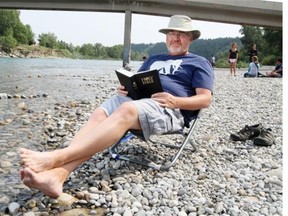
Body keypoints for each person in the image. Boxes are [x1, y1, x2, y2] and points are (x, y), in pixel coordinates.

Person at [19, 15, 214, 198]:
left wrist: (176, 101)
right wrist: (126, 88)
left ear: (190, 38)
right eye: (172, 33)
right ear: (166, 37)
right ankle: (58, 176)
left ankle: (56, 158)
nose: (176, 38)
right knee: (100, 113)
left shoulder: (199, 62)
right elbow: (138, 81)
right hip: (140, 102)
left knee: (126, 110)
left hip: (169, 110)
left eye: (181, 34)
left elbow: (205, 100)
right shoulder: (153, 59)